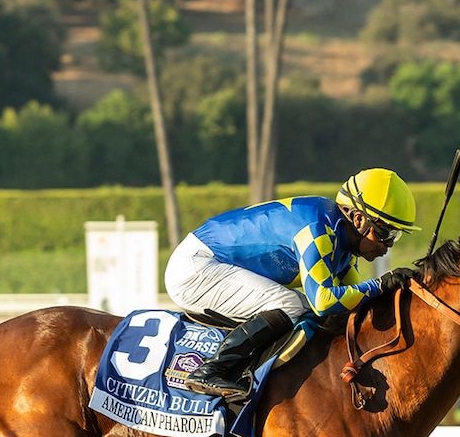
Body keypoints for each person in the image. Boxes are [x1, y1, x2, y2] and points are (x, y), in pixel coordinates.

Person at [165, 167, 421, 400]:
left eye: (395, 236)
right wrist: (380, 285)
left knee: (300, 307)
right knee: (291, 305)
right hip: (196, 268)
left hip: (211, 262)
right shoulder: (318, 230)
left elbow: (352, 302)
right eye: (386, 233)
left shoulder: (341, 241)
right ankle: (210, 371)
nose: (387, 246)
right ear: (358, 219)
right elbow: (324, 301)